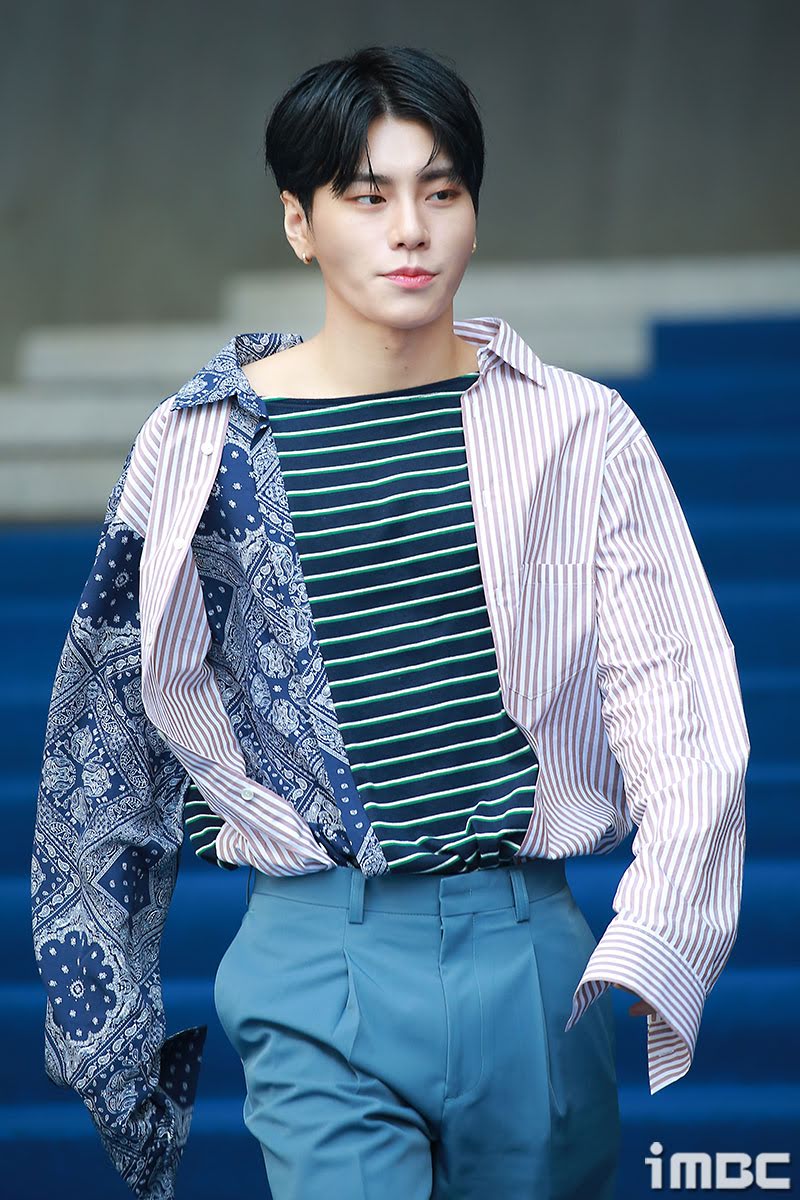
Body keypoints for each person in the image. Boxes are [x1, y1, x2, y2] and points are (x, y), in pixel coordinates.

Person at [30, 44, 750, 1200]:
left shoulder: (579, 433)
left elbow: (676, 701)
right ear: (299, 223)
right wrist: (105, 1007)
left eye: (440, 191)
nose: (409, 229)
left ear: (472, 211)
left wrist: (655, 929)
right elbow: (104, 726)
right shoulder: (200, 447)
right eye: (367, 197)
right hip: (314, 956)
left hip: (525, 946)